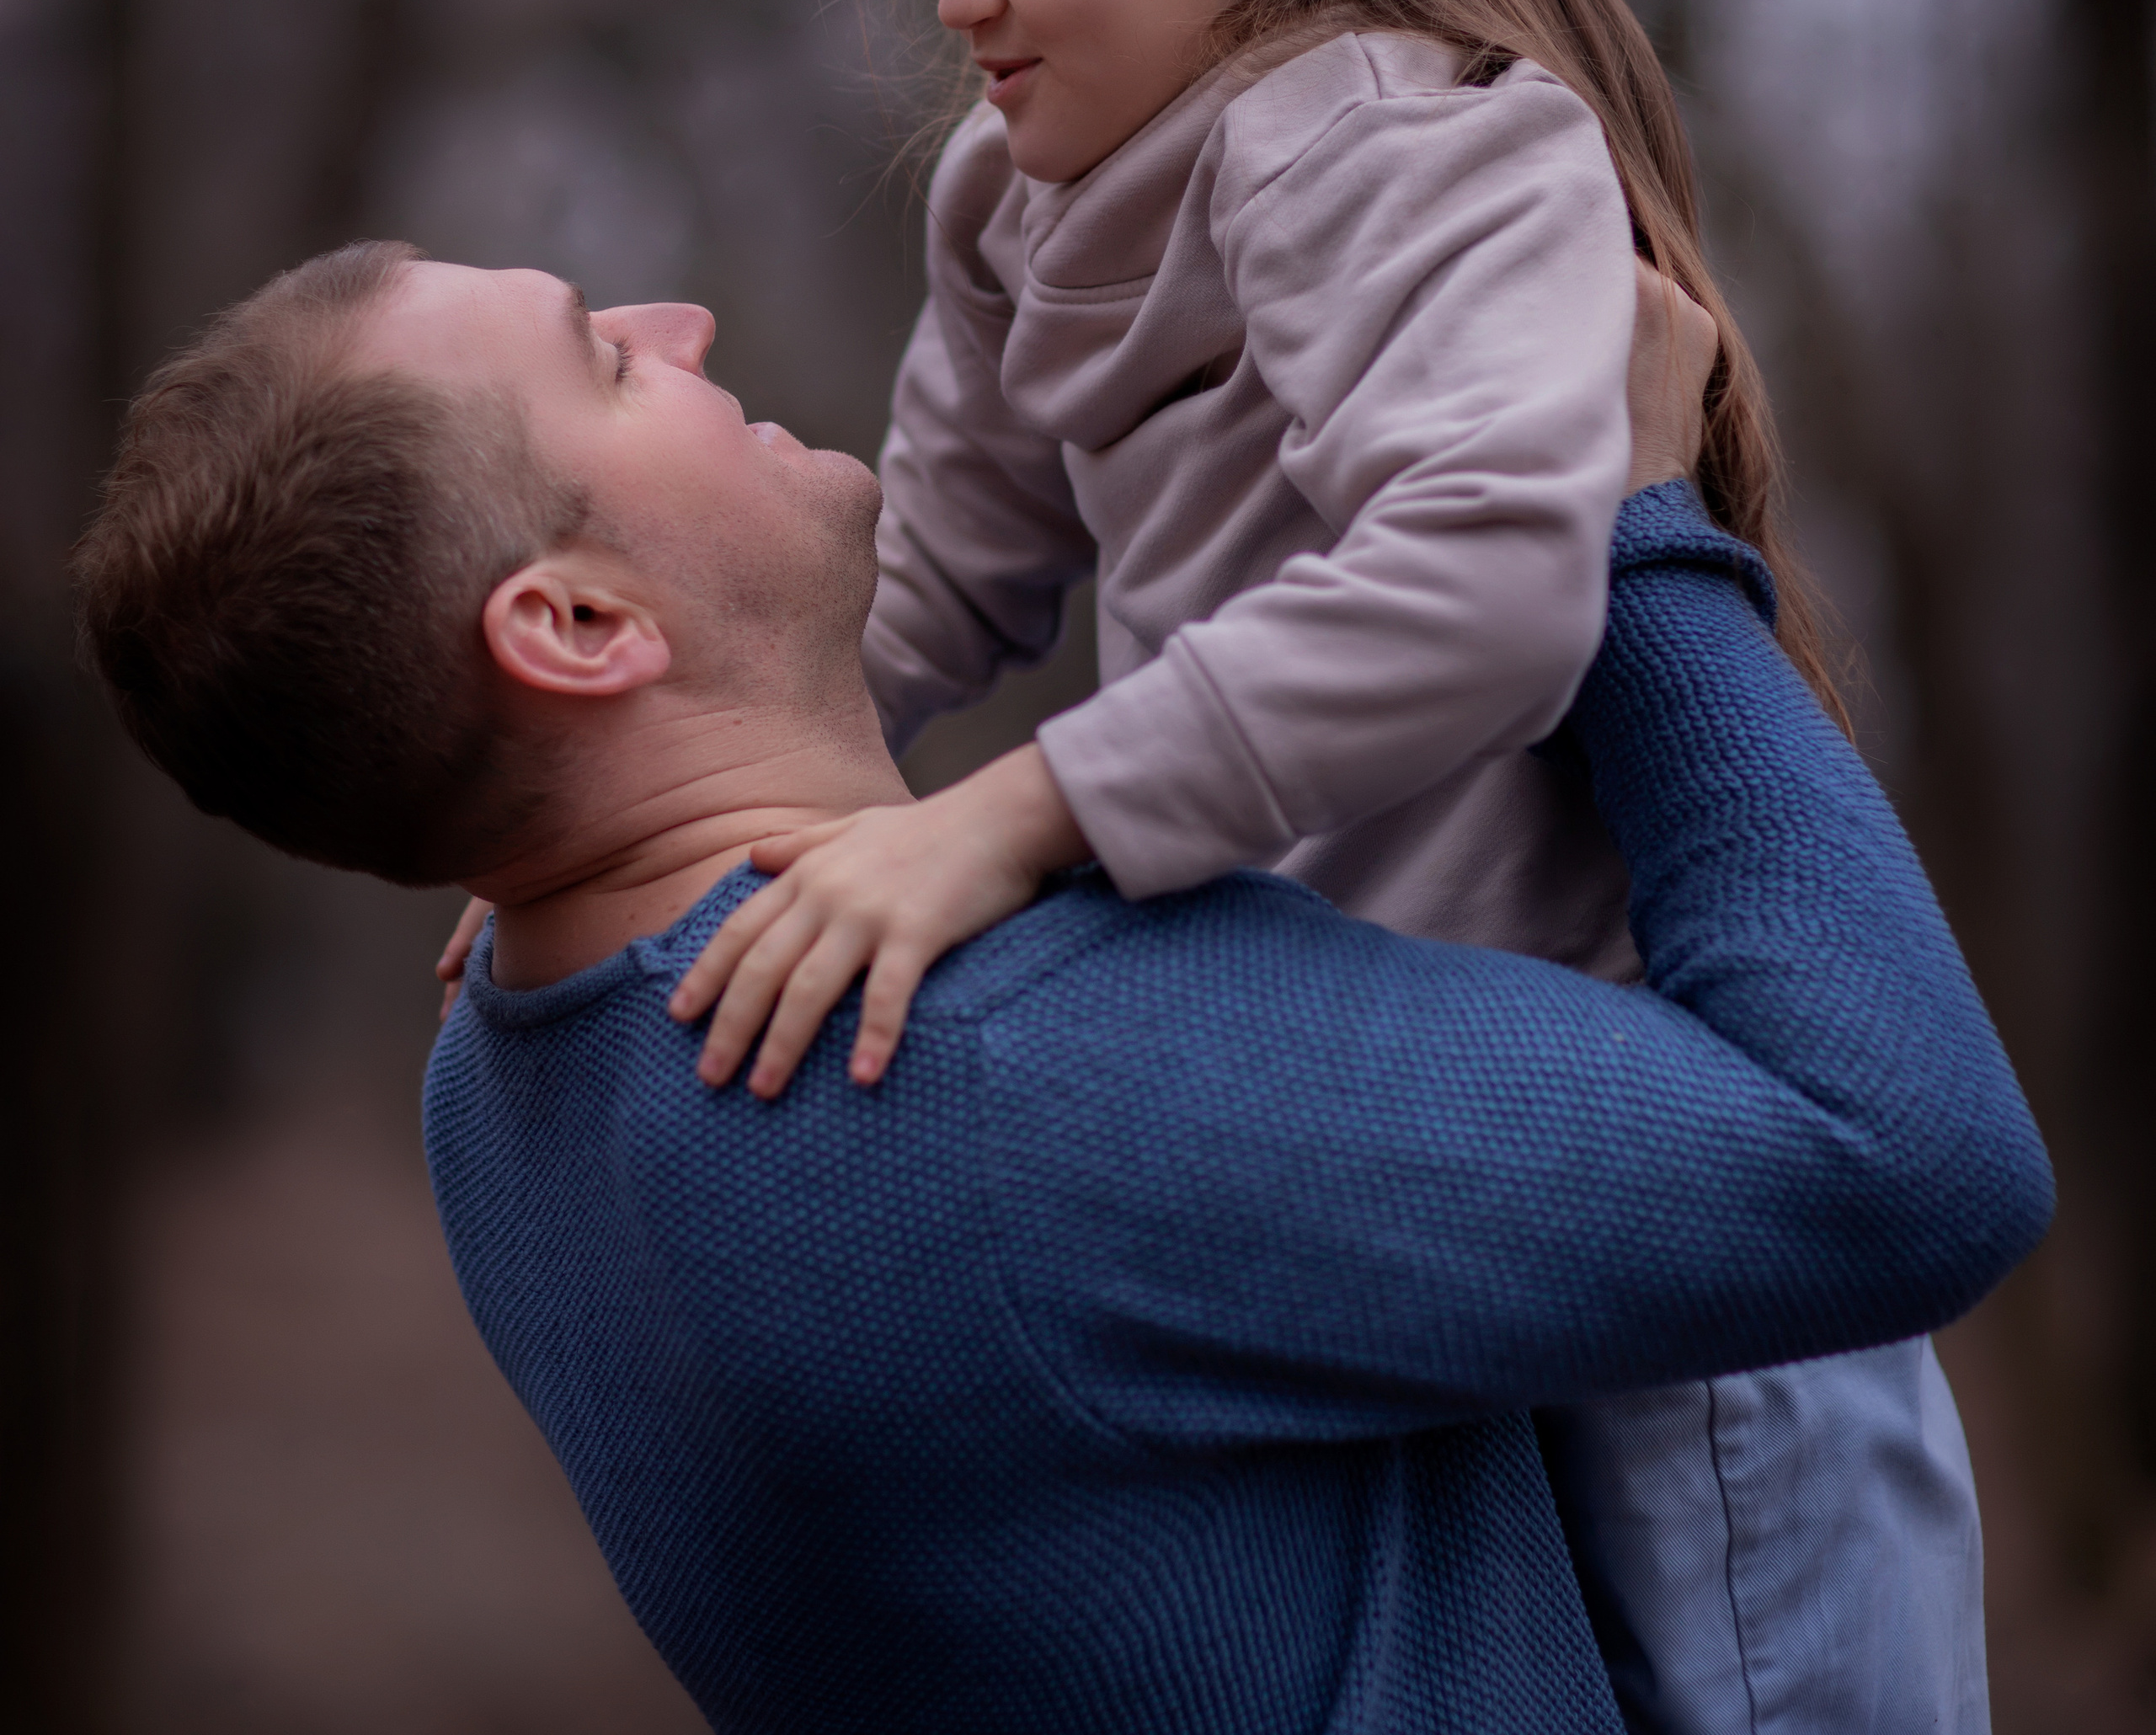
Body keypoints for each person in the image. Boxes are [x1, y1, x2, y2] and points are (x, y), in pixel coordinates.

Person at [641, 0, 1995, 1728]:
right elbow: (943, 580)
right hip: (1399, 1186)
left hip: (1665, 1183)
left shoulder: (1402, 147)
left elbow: (1489, 585)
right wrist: (642, 803)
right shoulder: (1015, 204)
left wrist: (1025, 817)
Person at [74, 240, 2049, 1735]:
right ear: (579, 624)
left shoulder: (498, 1072)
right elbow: (1906, 1159)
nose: (674, 321)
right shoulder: (987, 1072)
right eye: (602, 360)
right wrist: (1624, 537)